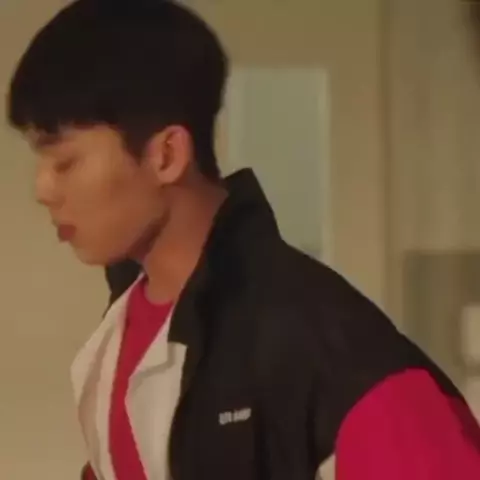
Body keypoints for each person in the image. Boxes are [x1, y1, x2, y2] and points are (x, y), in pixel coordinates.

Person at [7, 0, 480, 479]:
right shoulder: (116, 338)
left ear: (166, 155)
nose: (42, 190)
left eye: (65, 161)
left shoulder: (333, 352)